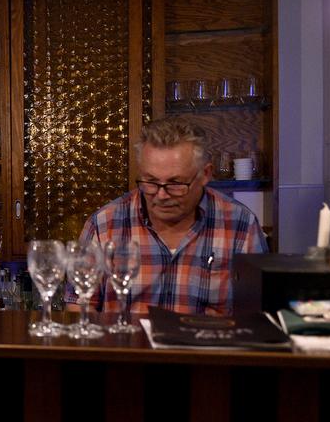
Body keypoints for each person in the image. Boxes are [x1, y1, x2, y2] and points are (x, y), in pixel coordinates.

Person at [69, 118, 267, 316]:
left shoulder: (240, 224)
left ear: (206, 174)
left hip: (207, 345)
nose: (161, 195)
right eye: (151, 181)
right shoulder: (105, 223)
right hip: (128, 345)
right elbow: (78, 304)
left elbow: (261, 312)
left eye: (176, 183)